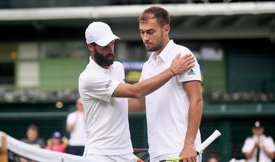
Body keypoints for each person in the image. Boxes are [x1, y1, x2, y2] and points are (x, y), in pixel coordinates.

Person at [78, 21, 195, 162]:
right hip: (99, 155)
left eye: (112, 44)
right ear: (90, 46)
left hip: (125, 154)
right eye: (104, 46)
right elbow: (135, 91)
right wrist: (172, 71)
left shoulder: (118, 68)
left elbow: (135, 104)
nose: (110, 50)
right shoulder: (89, 77)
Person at [129, 6, 204, 162]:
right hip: (157, 152)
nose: (145, 37)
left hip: (182, 151)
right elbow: (140, 104)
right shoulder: (148, 65)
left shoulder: (183, 54)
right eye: (142, 32)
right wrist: (105, 102)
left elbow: (197, 100)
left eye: (150, 32)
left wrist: (189, 144)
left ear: (166, 29)